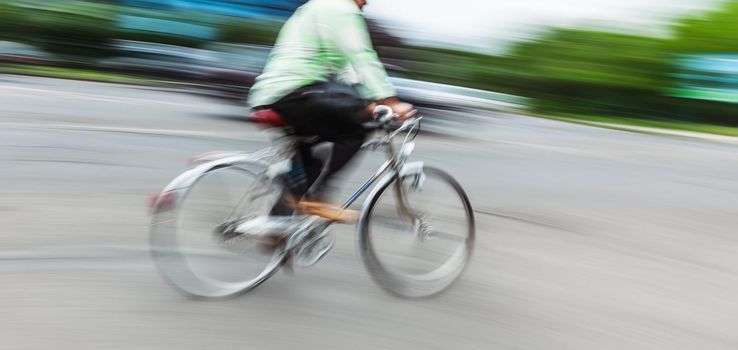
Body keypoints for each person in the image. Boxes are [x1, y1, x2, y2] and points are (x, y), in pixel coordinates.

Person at [247, 0, 415, 221]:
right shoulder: (341, 8)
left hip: (273, 94)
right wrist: (389, 101)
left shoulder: (316, 7)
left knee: (314, 158)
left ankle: (278, 228)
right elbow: (361, 55)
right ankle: (319, 199)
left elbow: (346, 68)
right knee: (358, 125)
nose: (367, 2)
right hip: (294, 94)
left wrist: (369, 100)